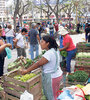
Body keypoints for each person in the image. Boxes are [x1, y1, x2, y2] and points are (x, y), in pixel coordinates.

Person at [20, 35, 63, 100]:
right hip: (57, 74)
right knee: (55, 93)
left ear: (47, 43)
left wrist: (26, 71)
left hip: (52, 78)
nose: (40, 43)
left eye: (42, 42)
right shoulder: (55, 49)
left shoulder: (49, 53)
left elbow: (38, 64)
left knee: (51, 96)